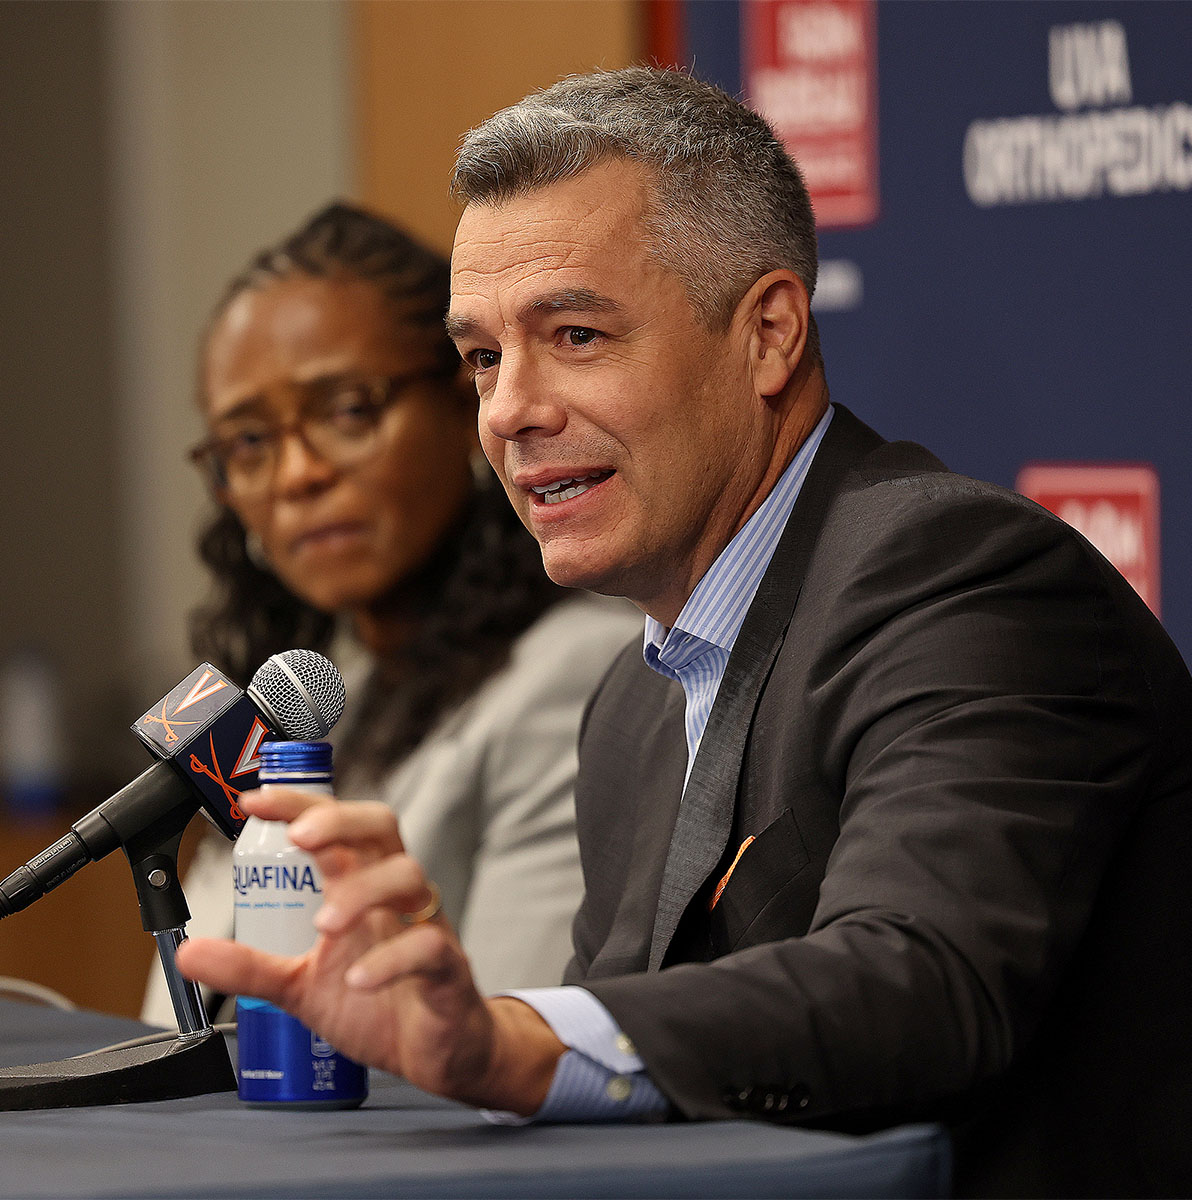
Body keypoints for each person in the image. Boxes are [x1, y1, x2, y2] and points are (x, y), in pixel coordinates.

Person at [178, 69, 1192, 1196]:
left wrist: (512, 1038)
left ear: (766, 336)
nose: (510, 408)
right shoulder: (631, 707)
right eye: (482, 358)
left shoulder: (963, 580)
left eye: (574, 334)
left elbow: (925, 979)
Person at [141, 203, 639, 1025]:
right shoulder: (313, 696)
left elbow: (512, 1039)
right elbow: (173, 1021)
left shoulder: (577, 677)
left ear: (463, 402)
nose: (298, 474)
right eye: (251, 443)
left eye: (347, 411)